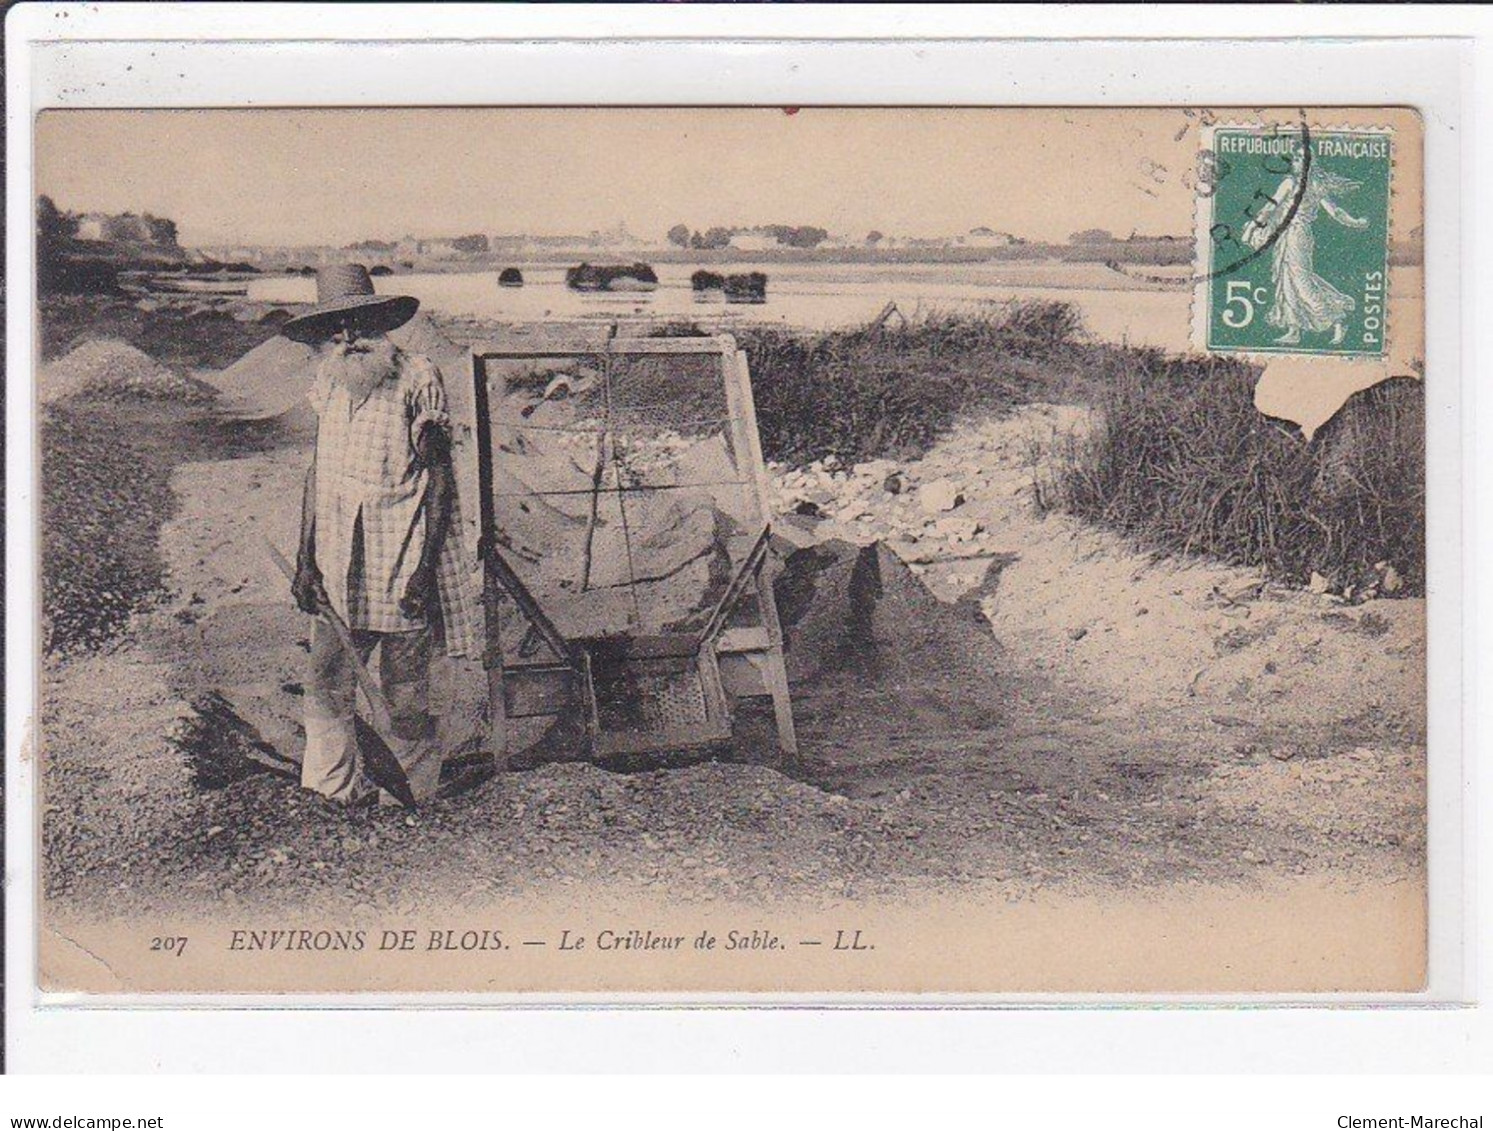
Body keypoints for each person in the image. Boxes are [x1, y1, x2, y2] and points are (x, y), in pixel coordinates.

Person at [283, 264, 480, 807]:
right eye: (337, 328)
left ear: (378, 323)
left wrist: (423, 569)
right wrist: (305, 561)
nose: (348, 338)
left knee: (405, 692)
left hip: (400, 556)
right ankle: (331, 792)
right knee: (325, 683)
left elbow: (441, 480)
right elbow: (317, 474)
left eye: (359, 325)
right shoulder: (328, 383)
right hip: (337, 560)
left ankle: (408, 799)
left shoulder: (418, 377)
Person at [1242, 147, 1370, 346]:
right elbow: (1271, 207)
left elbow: (1334, 211)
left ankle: (1337, 320)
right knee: (1287, 281)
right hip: (1286, 234)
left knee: (1302, 283)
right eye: (1296, 158)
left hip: (1298, 235)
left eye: (1303, 158)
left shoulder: (1313, 185)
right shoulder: (1290, 182)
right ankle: (1294, 330)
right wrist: (1254, 224)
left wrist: (1355, 222)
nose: (1298, 161)